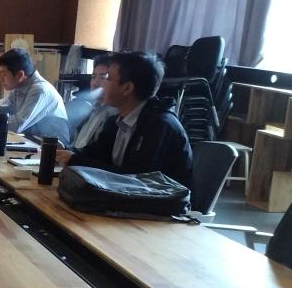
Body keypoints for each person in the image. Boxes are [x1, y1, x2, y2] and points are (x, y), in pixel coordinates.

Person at [56, 51, 193, 187]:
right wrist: (66, 151)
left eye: (108, 78)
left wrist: (75, 160)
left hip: (157, 199)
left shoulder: (159, 125)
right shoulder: (116, 120)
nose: (100, 85)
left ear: (127, 88)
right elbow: (95, 155)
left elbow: (134, 180)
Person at [68, 53, 118, 150]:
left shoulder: (114, 114)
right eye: (94, 77)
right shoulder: (94, 109)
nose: (95, 83)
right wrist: (65, 150)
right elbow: (77, 146)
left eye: (103, 78)